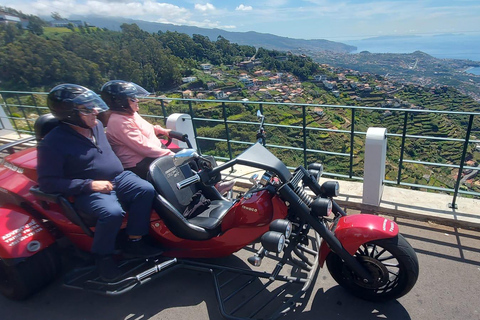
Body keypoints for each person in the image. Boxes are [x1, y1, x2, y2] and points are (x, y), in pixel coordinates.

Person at [37, 84, 163, 281]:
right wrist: (88, 185)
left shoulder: (94, 126)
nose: (95, 111)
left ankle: (134, 241)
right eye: (87, 109)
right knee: (112, 213)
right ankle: (103, 256)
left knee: (146, 190)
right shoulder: (52, 143)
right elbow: (46, 182)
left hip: (119, 178)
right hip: (90, 189)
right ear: (70, 114)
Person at [101, 80, 235, 194]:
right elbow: (142, 147)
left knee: (195, 157)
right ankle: (212, 190)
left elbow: (146, 127)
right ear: (121, 103)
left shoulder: (129, 114)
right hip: (140, 163)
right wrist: (170, 155)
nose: (137, 100)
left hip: (153, 153)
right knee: (187, 161)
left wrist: (162, 131)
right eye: (132, 98)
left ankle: (214, 186)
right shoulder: (118, 122)